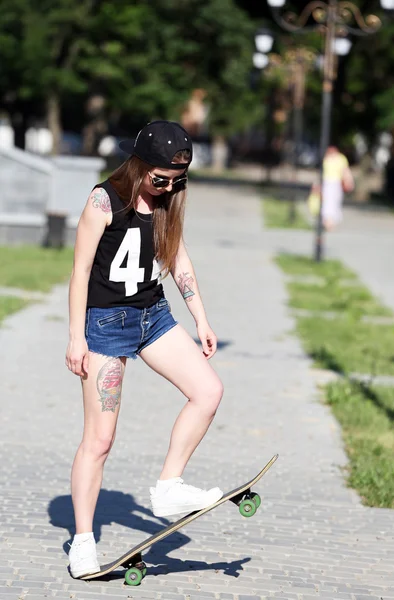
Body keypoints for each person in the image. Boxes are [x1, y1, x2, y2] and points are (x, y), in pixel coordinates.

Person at [65, 120, 224, 578]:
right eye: (160, 179)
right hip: (105, 324)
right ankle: (82, 542)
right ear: (139, 166)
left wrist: (201, 317)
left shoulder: (167, 202)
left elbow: (174, 255)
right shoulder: (103, 200)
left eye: (178, 180)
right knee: (99, 440)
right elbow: (79, 273)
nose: (169, 187)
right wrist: (76, 337)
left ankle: (169, 487)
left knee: (208, 391)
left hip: (153, 317)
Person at [321, 145, 354, 231]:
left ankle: (330, 221)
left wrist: (348, 181)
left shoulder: (340, 158)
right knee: (328, 202)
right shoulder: (327, 158)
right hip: (327, 182)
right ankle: (328, 221)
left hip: (335, 183)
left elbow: (345, 171)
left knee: (332, 202)